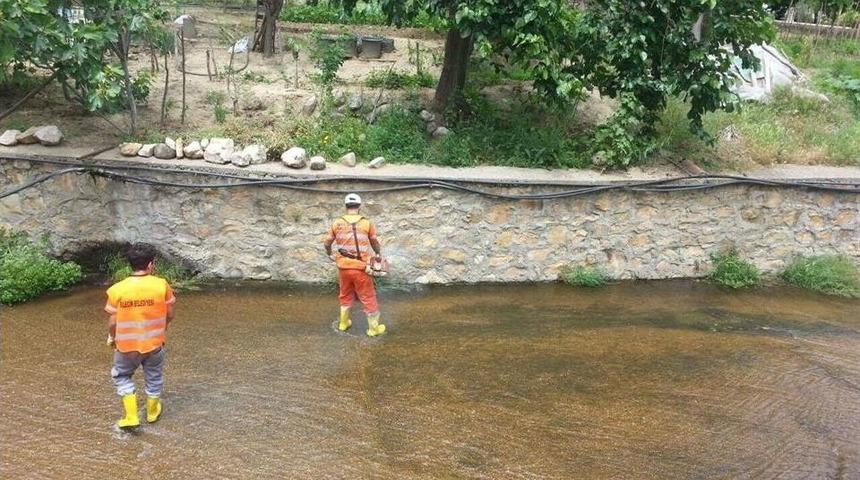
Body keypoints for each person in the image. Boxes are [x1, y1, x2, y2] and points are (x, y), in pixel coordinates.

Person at [104, 243, 176, 429]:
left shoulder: (117, 289)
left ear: (130, 264)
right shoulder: (161, 285)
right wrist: (163, 328)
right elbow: (169, 313)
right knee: (154, 376)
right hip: (154, 343)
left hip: (126, 346)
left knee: (122, 375)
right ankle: (152, 412)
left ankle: (131, 416)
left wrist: (112, 337)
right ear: (151, 265)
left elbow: (113, 322)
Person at [323, 193, 387, 337]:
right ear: (359, 206)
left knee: (345, 295)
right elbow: (375, 242)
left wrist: (329, 253)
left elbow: (327, 242)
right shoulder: (367, 223)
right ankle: (373, 329)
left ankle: (343, 323)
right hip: (361, 268)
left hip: (343, 268)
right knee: (368, 296)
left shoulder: (337, 223)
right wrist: (377, 254)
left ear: (346, 206)